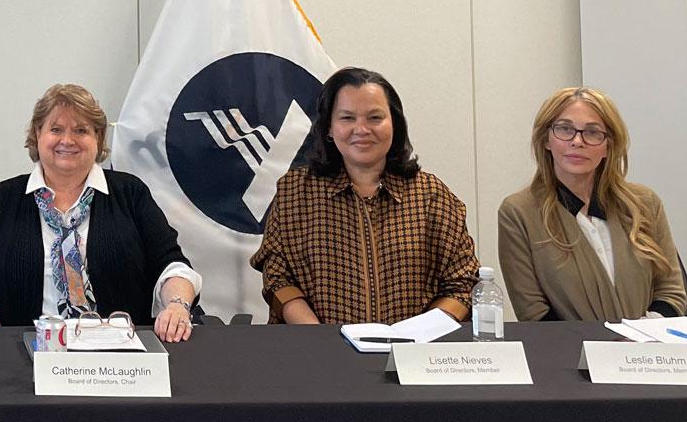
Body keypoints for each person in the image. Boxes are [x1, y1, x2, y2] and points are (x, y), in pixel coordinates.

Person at [0, 84, 201, 342]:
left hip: (123, 361)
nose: (67, 140)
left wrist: (177, 306)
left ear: (98, 137)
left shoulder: (130, 193)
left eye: (81, 130)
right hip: (27, 356)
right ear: (37, 135)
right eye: (56, 129)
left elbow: (172, 266)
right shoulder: (4, 199)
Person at [250, 66, 478, 325]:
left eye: (374, 117)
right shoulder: (295, 192)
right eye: (347, 118)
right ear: (328, 127)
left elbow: (463, 281)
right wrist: (318, 338)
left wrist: (418, 336)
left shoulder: (431, 196)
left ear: (395, 124)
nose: (362, 129)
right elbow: (278, 278)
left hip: (413, 354)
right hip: (317, 354)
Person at [498, 87, 685, 321]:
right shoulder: (519, 212)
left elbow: (672, 292)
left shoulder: (645, 203)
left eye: (593, 132)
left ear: (609, 145)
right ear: (546, 139)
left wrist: (641, 340)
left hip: (646, 353)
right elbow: (533, 312)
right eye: (565, 129)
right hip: (568, 355)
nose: (577, 141)